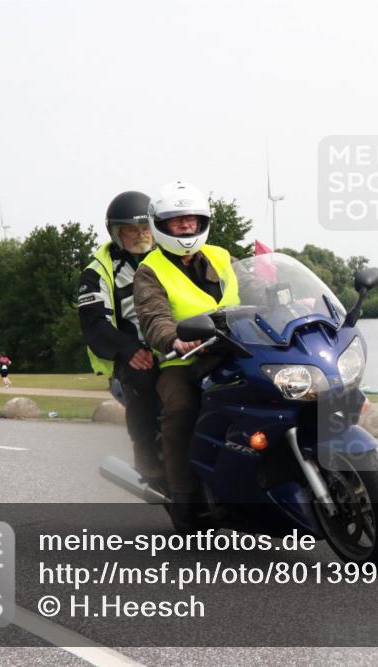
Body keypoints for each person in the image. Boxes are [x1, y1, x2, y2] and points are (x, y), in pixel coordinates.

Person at [134, 181, 240, 531]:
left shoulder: (222, 257)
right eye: (177, 221)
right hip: (183, 359)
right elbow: (153, 317)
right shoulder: (150, 269)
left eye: (192, 220)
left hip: (235, 348)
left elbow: (257, 286)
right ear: (160, 225)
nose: (186, 227)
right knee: (180, 409)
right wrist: (173, 339)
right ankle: (183, 494)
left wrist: (288, 300)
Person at [78, 191, 162, 484]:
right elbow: (94, 322)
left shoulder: (172, 256)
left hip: (182, 343)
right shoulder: (98, 270)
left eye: (145, 228)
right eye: (131, 230)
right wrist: (128, 349)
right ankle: (146, 454)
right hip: (132, 352)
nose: (141, 235)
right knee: (143, 381)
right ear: (116, 233)